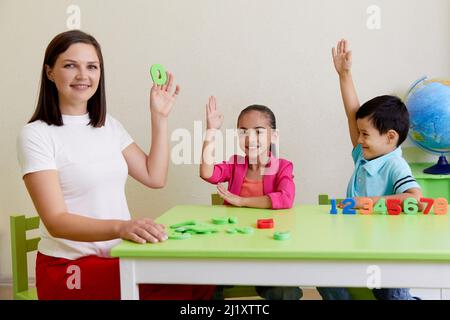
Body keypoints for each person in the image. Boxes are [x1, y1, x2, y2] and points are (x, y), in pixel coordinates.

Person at [17, 30, 215, 300]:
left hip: (118, 256)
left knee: (201, 277)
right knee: (179, 287)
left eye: (92, 66)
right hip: (69, 269)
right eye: (70, 65)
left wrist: (159, 117)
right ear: (50, 72)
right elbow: (56, 221)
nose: (83, 75)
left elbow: (154, 176)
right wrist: (122, 227)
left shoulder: (108, 125)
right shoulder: (36, 134)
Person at [317, 39, 423, 300]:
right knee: (323, 275)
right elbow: (352, 112)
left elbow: (415, 199)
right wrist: (345, 75)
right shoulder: (365, 156)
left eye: (365, 134)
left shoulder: (394, 164)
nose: (359, 138)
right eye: (359, 133)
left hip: (390, 251)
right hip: (359, 243)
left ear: (390, 137)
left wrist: (369, 203)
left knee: (393, 297)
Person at [200, 96, 302, 300]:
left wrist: (241, 201)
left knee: (284, 292)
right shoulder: (234, 164)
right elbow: (207, 173)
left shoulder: (283, 166)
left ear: (273, 136)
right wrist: (211, 131)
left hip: (269, 250)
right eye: (243, 132)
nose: (250, 138)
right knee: (206, 283)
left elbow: (285, 199)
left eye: (258, 131)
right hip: (232, 249)